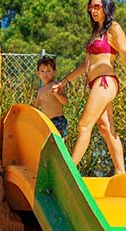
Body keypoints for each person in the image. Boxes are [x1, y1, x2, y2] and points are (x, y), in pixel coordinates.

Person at [55, 0, 126, 173]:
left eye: (97, 6)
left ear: (106, 7)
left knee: (84, 125)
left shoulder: (113, 28)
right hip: (96, 82)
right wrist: (64, 80)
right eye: (91, 7)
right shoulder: (96, 32)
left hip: (105, 80)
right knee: (106, 128)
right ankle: (120, 173)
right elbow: (85, 64)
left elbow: (124, 52)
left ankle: (70, 170)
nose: (93, 11)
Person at [32, 56, 69, 137]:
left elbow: (65, 102)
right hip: (46, 122)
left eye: (48, 71)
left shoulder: (56, 85)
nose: (45, 74)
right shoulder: (40, 91)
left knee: (58, 144)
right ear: (38, 73)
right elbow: (36, 106)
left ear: (54, 72)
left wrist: (57, 94)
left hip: (57, 120)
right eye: (42, 71)